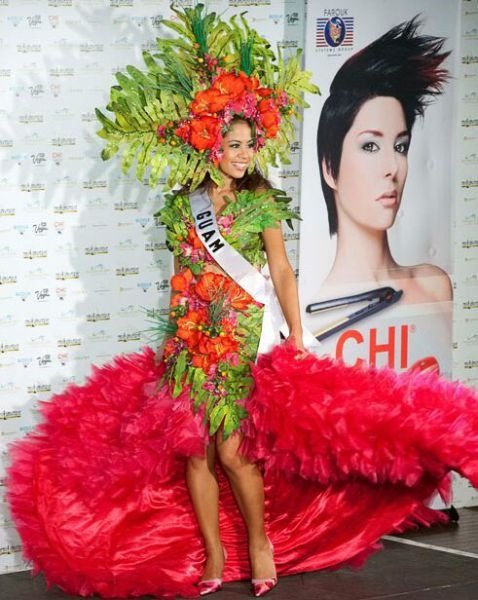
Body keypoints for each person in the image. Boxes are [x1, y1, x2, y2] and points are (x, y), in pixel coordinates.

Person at [7, 8, 478, 600]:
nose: (242, 154)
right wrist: (176, 336)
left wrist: (297, 333)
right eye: (233, 144)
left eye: (250, 145)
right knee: (194, 456)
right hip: (191, 345)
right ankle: (213, 554)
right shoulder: (182, 206)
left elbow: (280, 269)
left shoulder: (263, 203)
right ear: (210, 143)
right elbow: (182, 276)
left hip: (243, 341)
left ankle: (261, 544)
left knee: (235, 452)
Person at [316, 18, 453, 303]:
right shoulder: (316, 312)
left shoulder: (434, 286)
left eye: (400, 147)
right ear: (330, 168)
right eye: (370, 146)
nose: (392, 168)